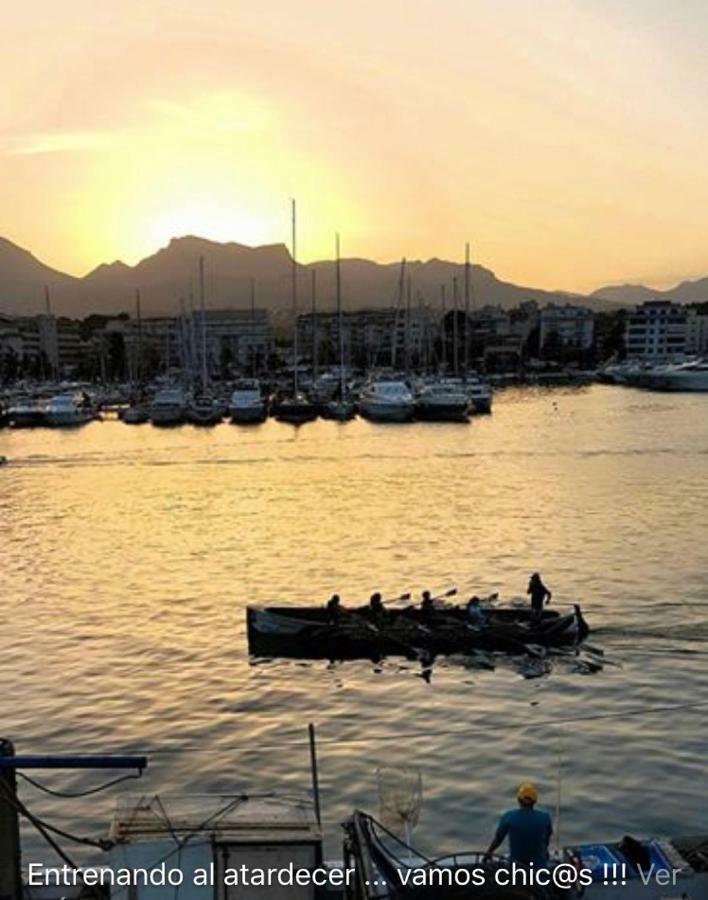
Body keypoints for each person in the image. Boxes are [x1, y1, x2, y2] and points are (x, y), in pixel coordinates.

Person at [486, 783, 553, 868]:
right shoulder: (545, 818)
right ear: (535, 801)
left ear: (518, 800)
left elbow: (498, 839)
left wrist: (489, 853)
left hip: (516, 867)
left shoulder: (509, 817)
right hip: (539, 869)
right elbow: (547, 838)